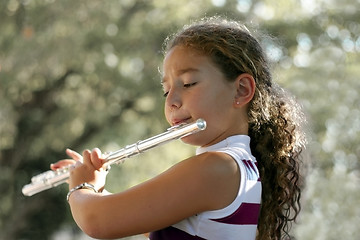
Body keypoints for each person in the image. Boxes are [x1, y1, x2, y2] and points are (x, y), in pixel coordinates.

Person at [51, 16, 307, 240]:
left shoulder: (217, 168)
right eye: (166, 90)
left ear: (241, 90)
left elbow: (97, 221)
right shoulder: (239, 166)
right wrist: (95, 187)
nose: (171, 101)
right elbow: (154, 218)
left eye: (188, 83)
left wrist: (80, 187)